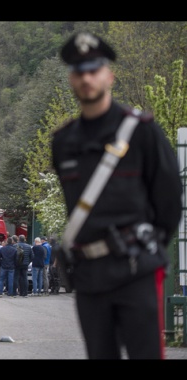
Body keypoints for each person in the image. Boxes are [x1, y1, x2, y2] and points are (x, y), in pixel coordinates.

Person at [52, 32, 183, 359]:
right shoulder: (63, 142)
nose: (86, 78)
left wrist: (148, 245)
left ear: (109, 75)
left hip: (135, 269)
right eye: (79, 71)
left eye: (94, 69)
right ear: (71, 79)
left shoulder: (141, 131)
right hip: (89, 276)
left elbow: (168, 200)